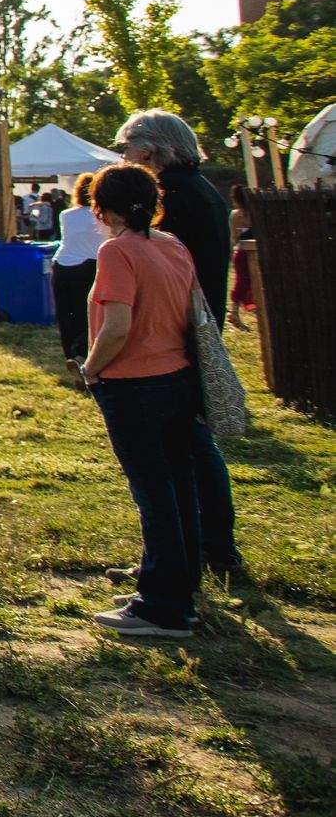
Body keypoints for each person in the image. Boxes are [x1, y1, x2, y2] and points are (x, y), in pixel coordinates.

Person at [76, 161, 216, 638]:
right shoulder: (173, 245)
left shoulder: (118, 251)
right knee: (179, 488)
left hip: (134, 384)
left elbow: (117, 326)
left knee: (153, 492)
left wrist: (90, 369)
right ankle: (176, 583)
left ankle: (162, 606)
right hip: (178, 378)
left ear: (102, 207)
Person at [113, 107, 242, 580]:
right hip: (190, 326)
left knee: (181, 447)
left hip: (175, 332)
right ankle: (206, 547)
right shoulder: (200, 190)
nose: (123, 157)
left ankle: (196, 552)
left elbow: (159, 268)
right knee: (188, 443)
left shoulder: (176, 196)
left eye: (125, 148)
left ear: (149, 149)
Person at [52, 171, 103, 362]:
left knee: (65, 313)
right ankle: (86, 352)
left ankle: (71, 355)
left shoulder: (66, 215)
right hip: (90, 265)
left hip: (63, 264)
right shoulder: (102, 216)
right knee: (87, 314)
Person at [226, 184, 255, 332]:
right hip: (249, 254)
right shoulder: (253, 213)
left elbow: (234, 238)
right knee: (244, 282)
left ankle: (236, 311)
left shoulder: (235, 215)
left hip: (241, 253)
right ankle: (234, 313)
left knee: (243, 282)